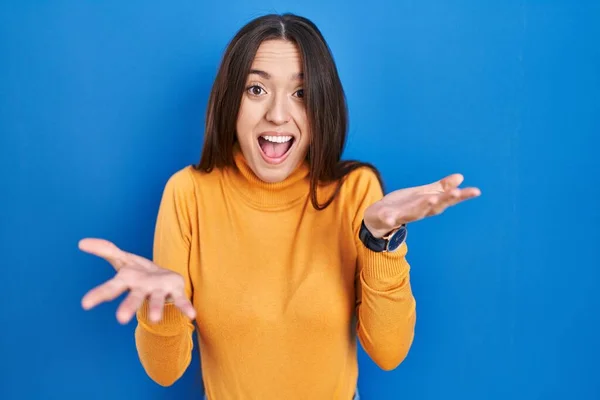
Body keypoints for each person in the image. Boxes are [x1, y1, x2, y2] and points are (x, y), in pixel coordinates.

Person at [78, 13, 481, 400]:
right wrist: (164, 304)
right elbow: (164, 373)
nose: (277, 113)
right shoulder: (188, 193)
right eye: (257, 89)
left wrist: (381, 241)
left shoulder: (357, 191)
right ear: (230, 101)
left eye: (301, 93)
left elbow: (389, 353)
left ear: (322, 106)